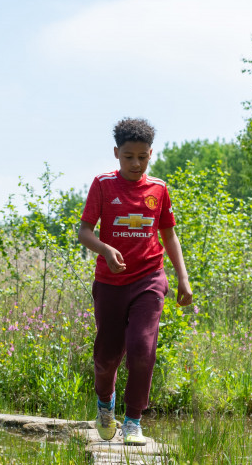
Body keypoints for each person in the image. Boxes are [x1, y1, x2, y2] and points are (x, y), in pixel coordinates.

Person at [78, 118, 192, 445]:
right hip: (110, 282)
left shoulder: (158, 189)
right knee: (107, 355)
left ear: (151, 154)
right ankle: (105, 404)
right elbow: (85, 231)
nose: (135, 163)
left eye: (142, 156)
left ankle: (133, 421)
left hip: (149, 279)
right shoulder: (102, 185)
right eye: (128, 156)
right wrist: (105, 248)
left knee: (142, 348)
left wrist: (182, 278)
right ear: (116, 153)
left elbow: (168, 234)